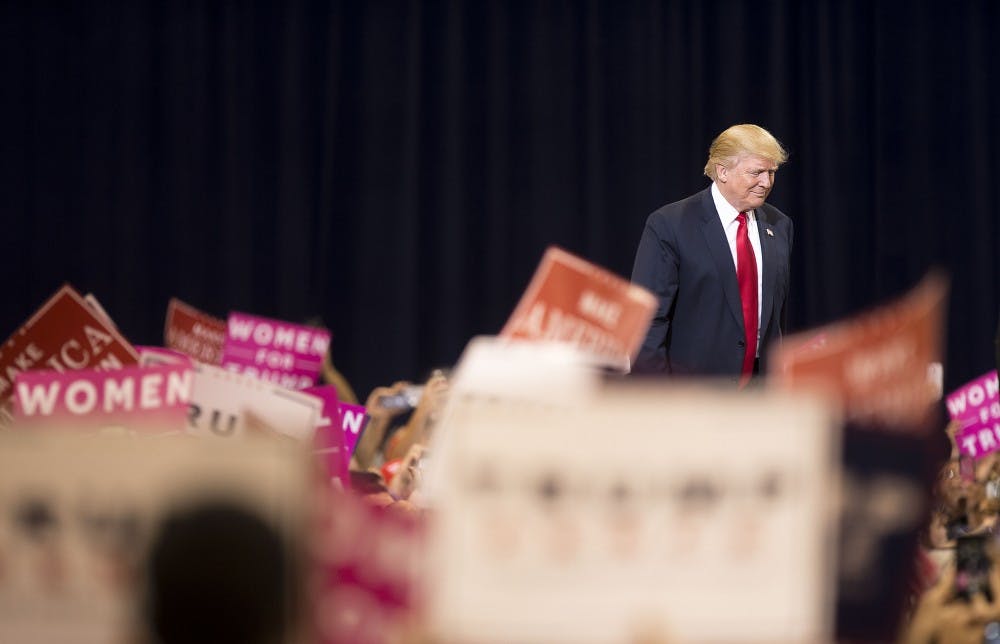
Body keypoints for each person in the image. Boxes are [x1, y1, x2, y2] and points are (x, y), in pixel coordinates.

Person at [630, 123, 792, 386]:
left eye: (772, 172)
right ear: (722, 171)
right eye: (757, 172)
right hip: (693, 397)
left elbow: (776, 319)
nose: (766, 182)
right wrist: (657, 398)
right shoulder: (671, 225)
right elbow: (646, 321)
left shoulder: (779, 225)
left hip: (760, 397)